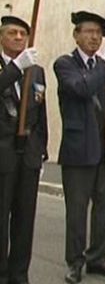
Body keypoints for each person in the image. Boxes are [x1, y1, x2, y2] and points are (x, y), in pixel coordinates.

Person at [54, 11, 105, 283]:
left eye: (99, 33)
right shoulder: (65, 64)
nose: (95, 37)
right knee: (77, 209)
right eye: (89, 31)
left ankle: (98, 257)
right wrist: (104, 64)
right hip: (79, 148)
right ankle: (75, 261)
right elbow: (81, 89)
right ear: (76, 34)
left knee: (104, 209)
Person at [0, 15, 48, 284]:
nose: (19, 38)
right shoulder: (14, 67)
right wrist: (16, 68)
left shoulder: (36, 70)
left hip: (27, 155)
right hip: (3, 153)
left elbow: (40, 116)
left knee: (24, 220)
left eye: (23, 34)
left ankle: (20, 274)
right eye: (13, 33)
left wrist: (41, 152)